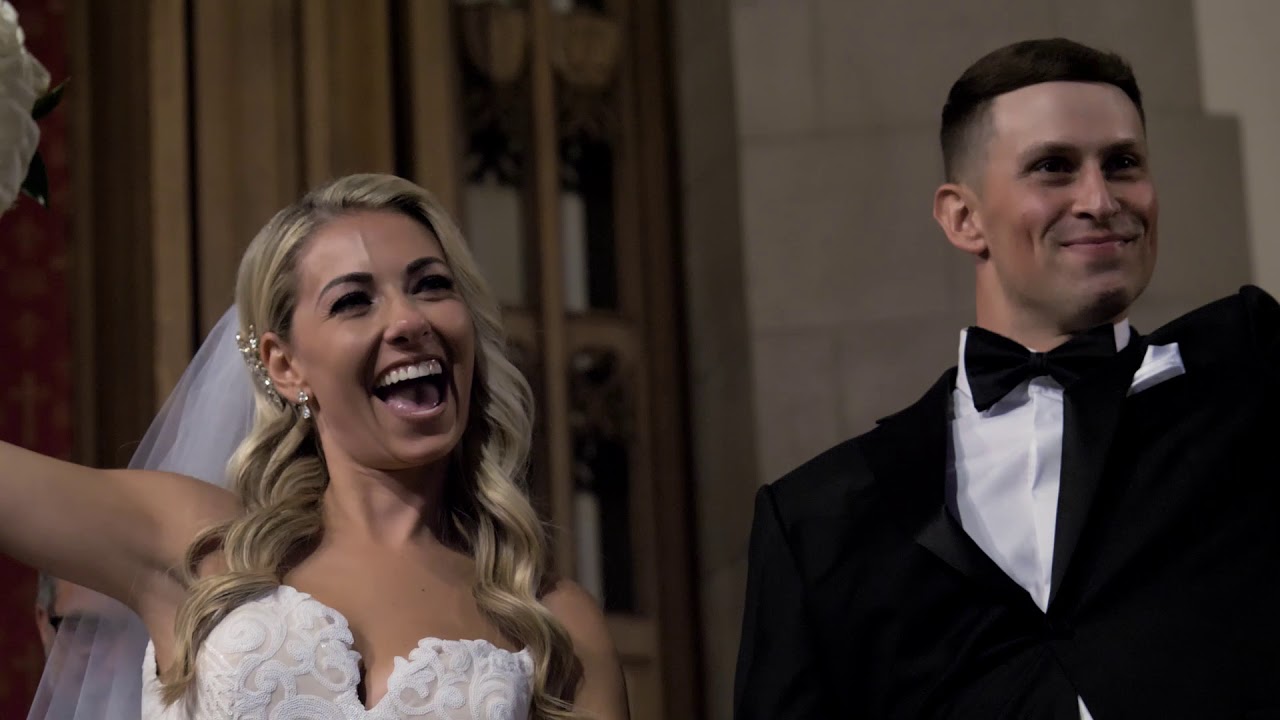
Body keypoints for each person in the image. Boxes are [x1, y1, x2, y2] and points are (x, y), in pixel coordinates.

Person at [734, 38, 1280, 719]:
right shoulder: (819, 519)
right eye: (1054, 167)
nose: (1100, 198)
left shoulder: (1250, 375)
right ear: (963, 218)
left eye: (1123, 163)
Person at [4, 173, 629, 719]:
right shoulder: (199, 545)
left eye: (432, 285)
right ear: (284, 365)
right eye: (354, 301)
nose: (409, 321)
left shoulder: (554, 622)